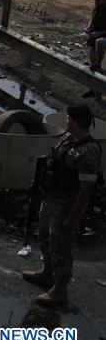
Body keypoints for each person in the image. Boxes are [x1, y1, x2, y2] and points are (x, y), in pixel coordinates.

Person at [22, 104, 102, 306]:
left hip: (67, 204)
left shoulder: (89, 150)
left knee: (61, 246)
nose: (66, 121)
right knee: (45, 237)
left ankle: (60, 290)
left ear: (76, 122)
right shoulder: (68, 139)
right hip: (52, 198)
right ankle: (47, 273)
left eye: (68, 119)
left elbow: (85, 189)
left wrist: (72, 218)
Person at [85, 0, 106, 74]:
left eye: (98, 0)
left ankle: (98, 65)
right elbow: (92, 19)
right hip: (95, 35)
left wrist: (100, 33)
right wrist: (89, 27)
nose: (95, 1)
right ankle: (93, 65)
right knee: (91, 65)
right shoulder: (97, 9)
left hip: (102, 36)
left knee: (99, 41)